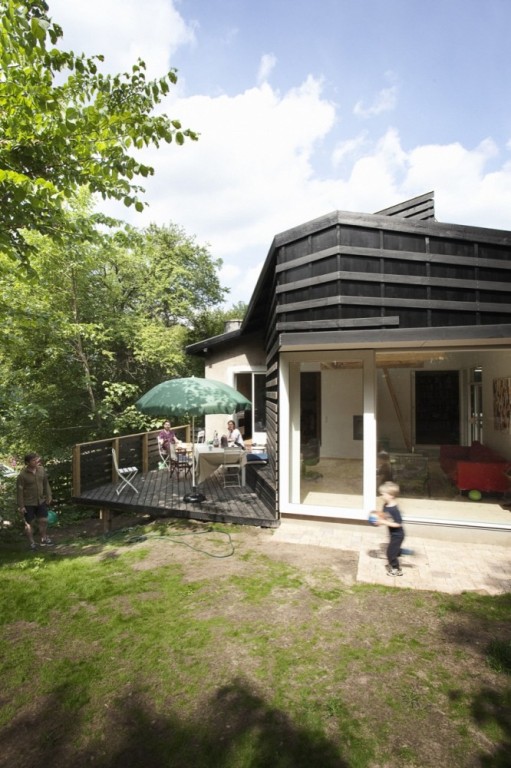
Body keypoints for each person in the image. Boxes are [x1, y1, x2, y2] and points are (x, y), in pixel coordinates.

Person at [16, 452, 53, 549]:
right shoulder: (22, 475)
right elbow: (19, 492)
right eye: (33, 460)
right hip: (28, 503)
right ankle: (32, 543)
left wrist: (49, 495)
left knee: (44, 520)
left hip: (40, 501)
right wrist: (21, 506)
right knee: (29, 523)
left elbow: (46, 483)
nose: (36, 461)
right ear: (27, 462)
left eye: (37, 459)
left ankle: (44, 538)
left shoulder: (41, 470)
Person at [376, 480, 405, 577]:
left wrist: (384, 522)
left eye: (383, 494)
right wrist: (379, 519)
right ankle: (401, 552)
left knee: (390, 553)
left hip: (398, 535)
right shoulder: (386, 505)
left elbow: (398, 524)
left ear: (391, 495)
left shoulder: (394, 509)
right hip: (392, 534)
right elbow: (384, 516)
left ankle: (396, 569)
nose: (381, 496)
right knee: (394, 550)